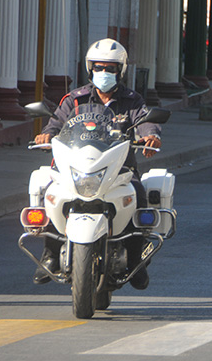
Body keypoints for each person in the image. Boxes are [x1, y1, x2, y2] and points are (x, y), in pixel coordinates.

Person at [32, 39, 161, 289]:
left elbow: (145, 121)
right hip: (75, 167)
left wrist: (150, 136)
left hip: (118, 168)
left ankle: (136, 258)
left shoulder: (132, 100)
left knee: (139, 194)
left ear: (120, 70)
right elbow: (56, 123)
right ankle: (50, 253)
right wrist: (46, 134)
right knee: (50, 193)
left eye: (110, 68)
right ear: (90, 69)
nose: (104, 73)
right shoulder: (75, 99)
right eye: (99, 67)